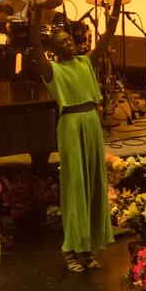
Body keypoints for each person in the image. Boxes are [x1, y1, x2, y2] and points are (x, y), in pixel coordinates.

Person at [29, 20, 113, 272]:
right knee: (75, 187)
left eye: (70, 39)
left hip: (91, 123)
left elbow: (107, 37)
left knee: (93, 184)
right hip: (71, 126)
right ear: (54, 50)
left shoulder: (85, 62)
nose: (70, 43)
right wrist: (36, 14)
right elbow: (35, 45)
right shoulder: (52, 70)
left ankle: (86, 248)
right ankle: (70, 250)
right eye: (62, 42)